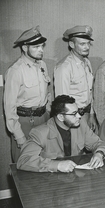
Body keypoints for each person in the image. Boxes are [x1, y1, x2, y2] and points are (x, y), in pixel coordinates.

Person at [17, 95, 105, 173]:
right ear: (60, 117)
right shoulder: (40, 133)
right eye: (74, 114)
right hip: (50, 182)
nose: (79, 116)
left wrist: (99, 154)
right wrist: (57, 165)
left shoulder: (81, 125)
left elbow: (98, 143)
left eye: (78, 112)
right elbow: (23, 161)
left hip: (75, 178)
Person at [4, 26, 51, 162]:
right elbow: (9, 108)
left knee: (45, 161)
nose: (41, 50)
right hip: (25, 123)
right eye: (36, 47)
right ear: (25, 48)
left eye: (42, 46)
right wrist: (19, 136)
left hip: (43, 120)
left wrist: (48, 117)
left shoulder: (42, 65)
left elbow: (46, 94)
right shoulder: (16, 71)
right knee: (25, 164)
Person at [54, 25, 97, 131]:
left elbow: (90, 92)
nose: (87, 47)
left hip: (86, 115)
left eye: (88, 43)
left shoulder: (87, 62)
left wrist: (91, 114)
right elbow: (62, 103)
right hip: (72, 119)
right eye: (82, 44)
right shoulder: (64, 68)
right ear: (72, 44)